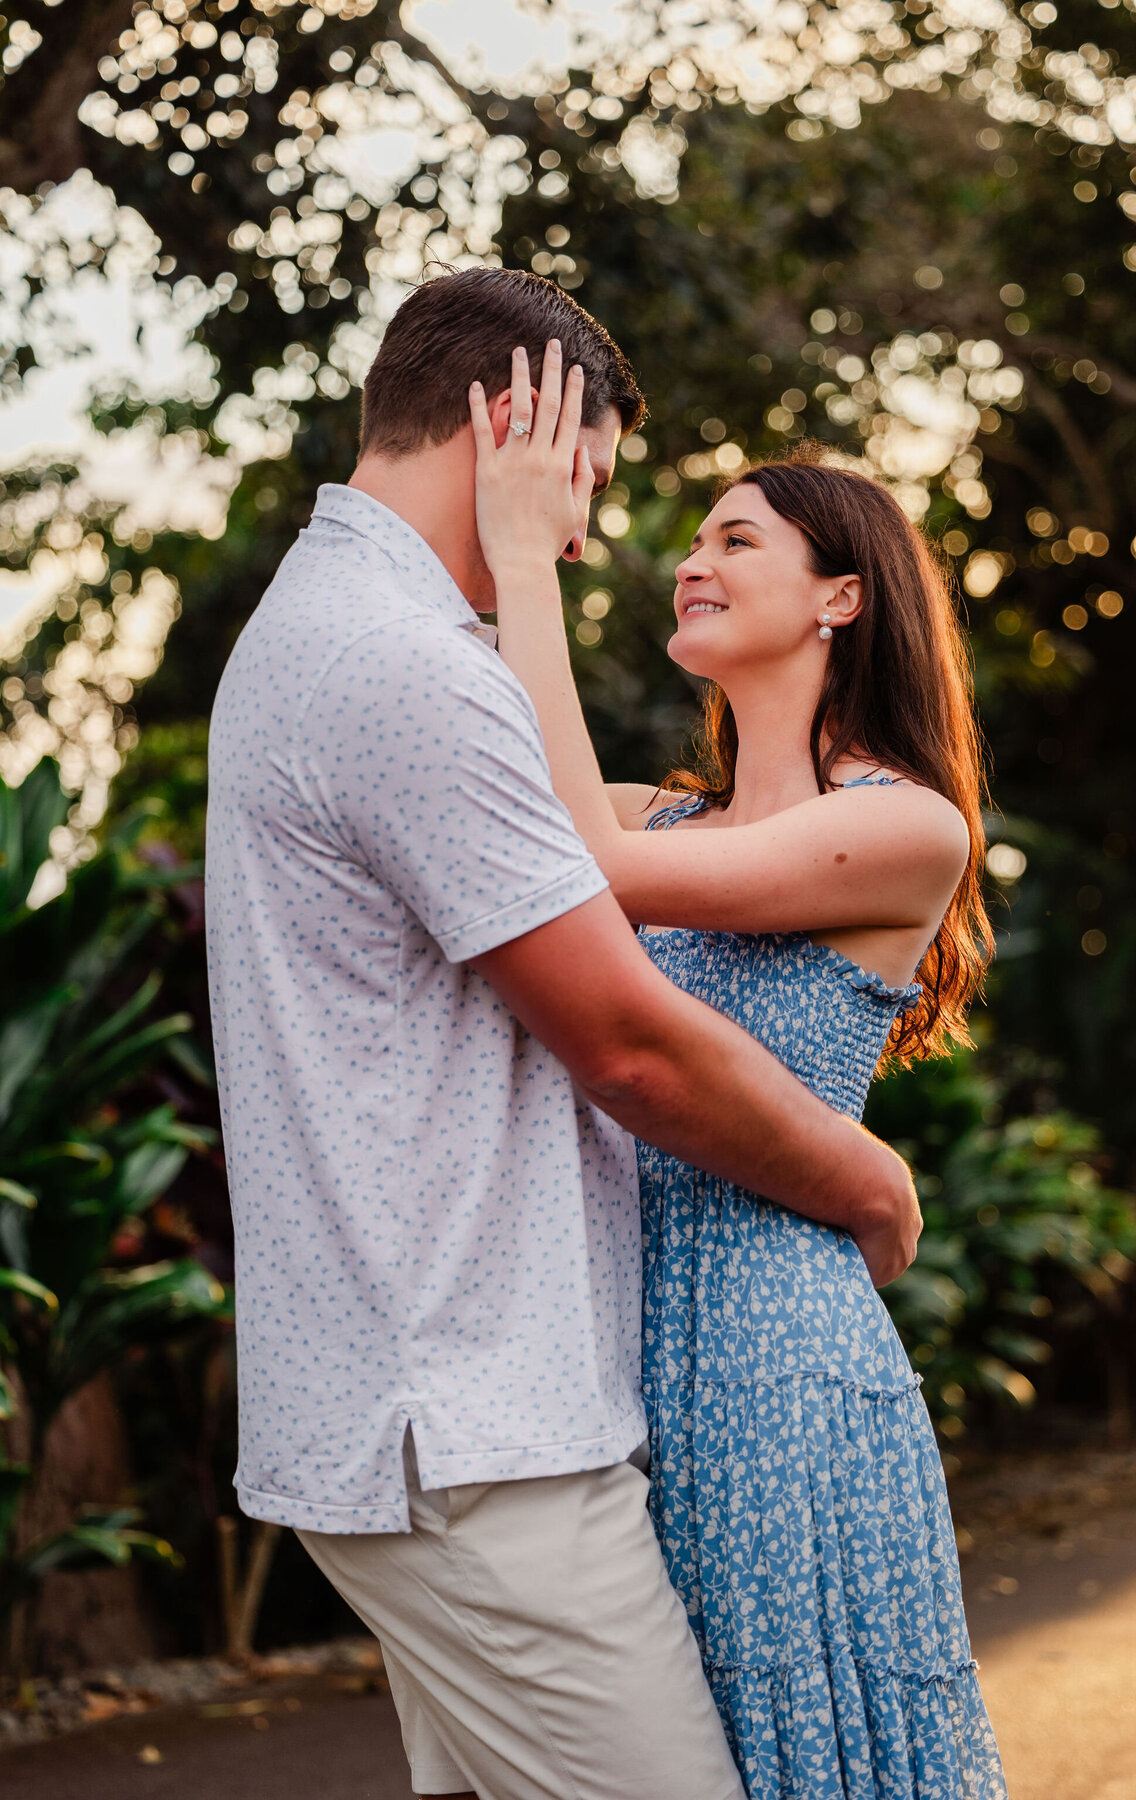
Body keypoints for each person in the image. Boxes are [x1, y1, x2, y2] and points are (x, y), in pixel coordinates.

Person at [205, 267, 922, 1800]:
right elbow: (632, 1045)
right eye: (583, 477)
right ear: (506, 425)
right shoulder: (407, 666)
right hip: (476, 1440)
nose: (597, 532)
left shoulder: (323, 630)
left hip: (476, 1414)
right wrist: (868, 1183)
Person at [469, 343, 1008, 1799]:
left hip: (779, 1356)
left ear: (842, 595)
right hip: (616, 1341)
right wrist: (525, 510)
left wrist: (528, 564)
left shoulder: (907, 829)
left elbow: (577, 861)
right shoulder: (671, 812)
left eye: (734, 538)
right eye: (692, 537)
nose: (692, 562)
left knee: (791, 1748)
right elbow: (515, 791)